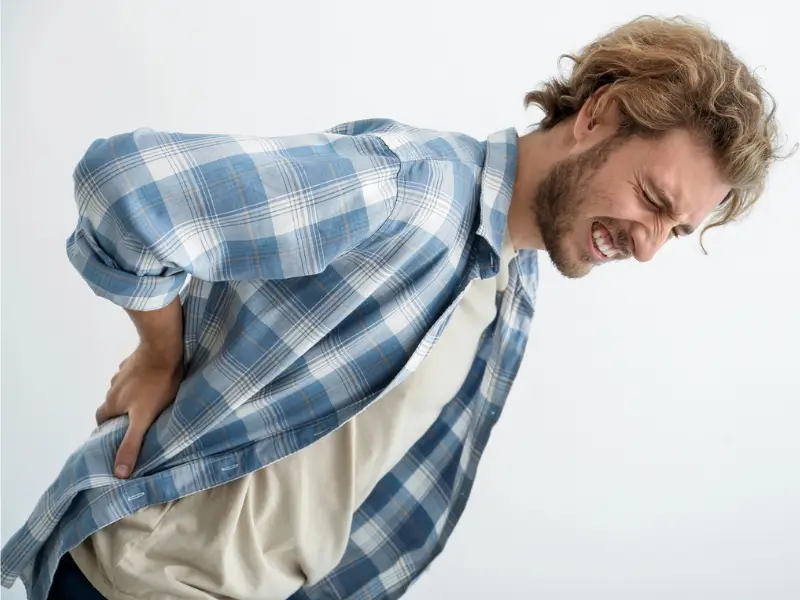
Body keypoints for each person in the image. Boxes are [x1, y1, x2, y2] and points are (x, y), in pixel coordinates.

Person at [1, 14, 788, 600]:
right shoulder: (411, 188)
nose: (648, 246)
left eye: (674, 232)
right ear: (598, 115)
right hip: (141, 584)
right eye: (653, 200)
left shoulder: (511, 282)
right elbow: (130, 187)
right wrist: (158, 354)